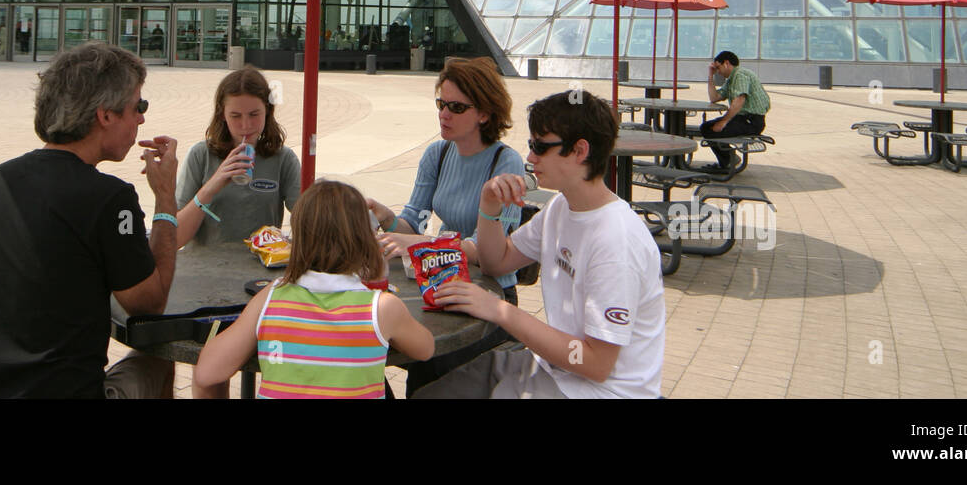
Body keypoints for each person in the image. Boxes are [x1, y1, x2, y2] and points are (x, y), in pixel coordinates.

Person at [0, 41, 180, 398]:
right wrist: (166, 198)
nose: (141, 118)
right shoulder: (109, 198)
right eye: (138, 106)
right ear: (105, 115)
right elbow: (150, 305)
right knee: (158, 359)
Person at [415, 90, 665, 399]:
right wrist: (488, 207)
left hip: (603, 391)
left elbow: (597, 364)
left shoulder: (616, 241)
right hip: (553, 369)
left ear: (579, 151)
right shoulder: (561, 207)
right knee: (430, 393)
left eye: (540, 147)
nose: (530, 158)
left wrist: (499, 310)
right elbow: (497, 262)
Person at [366, 55, 526, 395]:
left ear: (484, 113)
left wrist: (419, 245)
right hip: (440, 285)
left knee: (434, 368)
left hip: (491, 294)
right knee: (396, 358)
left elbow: (490, 249)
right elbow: (415, 220)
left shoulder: (505, 162)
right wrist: (383, 215)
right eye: (441, 103)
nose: (444, 114)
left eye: (456, 106)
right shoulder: (437, 154)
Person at [193, 179, 434, 398]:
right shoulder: (382, 308)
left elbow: (207, 373)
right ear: (366, 241)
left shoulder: (272, 297)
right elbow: (425, 349)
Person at [175, 65, 301, 398]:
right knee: (210, 375)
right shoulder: (201, 156)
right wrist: (212, 186)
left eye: (254, 115)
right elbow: (175, 237)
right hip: (206, 285)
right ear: (221, 115)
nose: (246, 127)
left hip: (260, 283)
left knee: (277, 365)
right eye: (236, 116)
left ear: (268, 112)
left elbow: (306, 220)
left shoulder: (282, 159)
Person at [699, 50, 771, 172]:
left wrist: (723, 121)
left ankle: (728, 162)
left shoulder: (741, 75)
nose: (718, 72)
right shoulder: (731, 80)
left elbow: (740, 99)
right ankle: (729, 160)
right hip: (742, 119)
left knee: (713, 130)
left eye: (718, 67)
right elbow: (714, 97)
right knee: (706, 127)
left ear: (726, 63)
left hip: (751, 121)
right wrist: (710, 76)